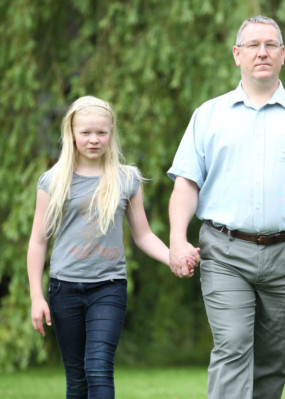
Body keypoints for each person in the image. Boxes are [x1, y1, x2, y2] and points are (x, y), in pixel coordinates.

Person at [166, 15, 285, 399]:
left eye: (271, 45)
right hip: (225, 251)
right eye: (253, 45)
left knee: (272, 363)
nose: (262, 52)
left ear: (283, 55)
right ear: (237, 54)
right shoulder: (209, 116)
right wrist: (176, 238)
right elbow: (186, 184)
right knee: (233, 345)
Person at [27, 95, 187, 398]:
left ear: (111, 133)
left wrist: (174, 257)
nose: (93, 139)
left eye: (101, 132)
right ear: (71, 133)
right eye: (85, 132)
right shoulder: (52, 181)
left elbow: (143, 236)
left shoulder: (126, 179)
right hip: (64, 289)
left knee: (98, 368)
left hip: (108, 288)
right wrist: (37, 296)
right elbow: (38, 241)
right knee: (76, 379)